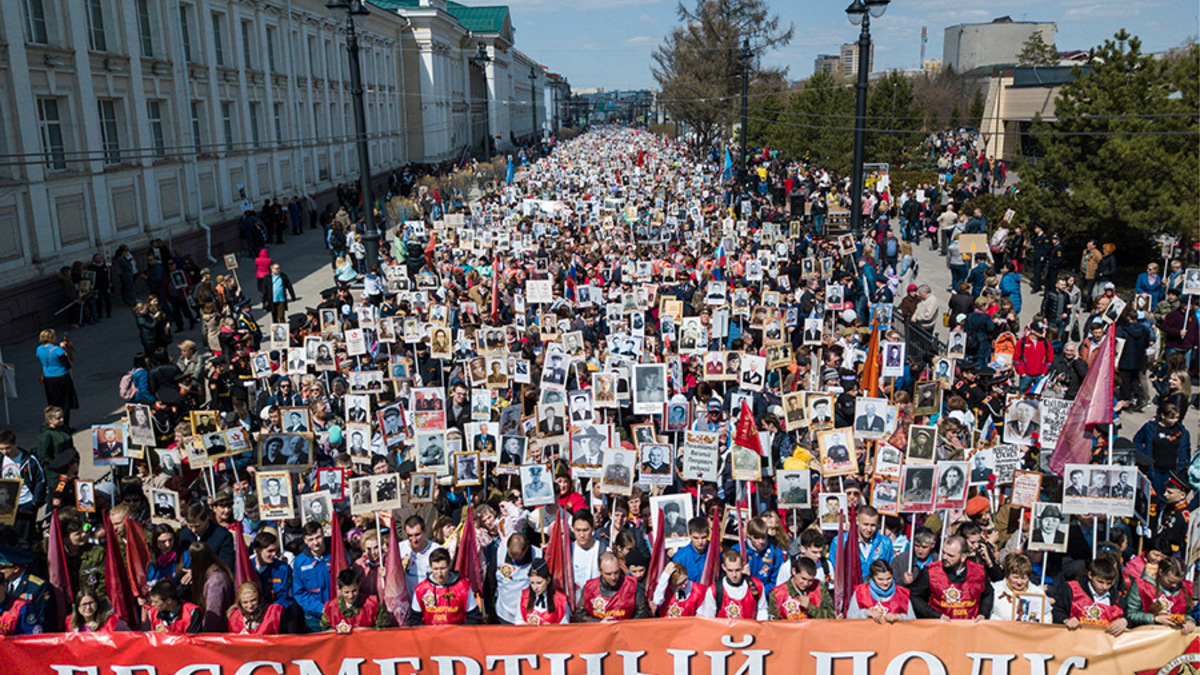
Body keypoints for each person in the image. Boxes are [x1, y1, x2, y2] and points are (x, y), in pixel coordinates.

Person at [910, 536, 993, 620]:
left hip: (969, 626)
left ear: (963, 557)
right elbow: (915, 596)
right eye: (943, 552)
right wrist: (935, 615)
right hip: (940, 626)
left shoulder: (978, 571)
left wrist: (983, 613)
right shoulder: (930, 571)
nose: (944, 557)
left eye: (950, 555)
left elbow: (988, 594)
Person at [1052, 558, 1127, 635]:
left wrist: (1124, 621)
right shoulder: (1072, 590)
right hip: (1075, 638)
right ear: (1090, 575)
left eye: (1109, 583)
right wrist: (1066, 620)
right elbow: (1057, 611)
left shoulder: (1117, 598)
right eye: (1100, 582)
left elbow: (1129, 616)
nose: (1104, 587)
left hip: (1105, 641)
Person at [409, 548, 481, 625]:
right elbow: (415, 619)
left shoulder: (463, 587)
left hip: (457, 635)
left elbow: (473, 617)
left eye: (443, 568)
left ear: (449, 565)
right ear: (430, 567)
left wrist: (461, 634)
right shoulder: (421, 589)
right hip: (430, 635)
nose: (439, 574)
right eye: (435, 569)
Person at [1125, 557, 1196, 634]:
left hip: (1175, 636)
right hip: (1148, 634)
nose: (1175, 586)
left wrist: (1190, 621)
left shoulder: (1185, 587)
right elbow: (1131, 614)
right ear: (1161, 572)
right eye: (1170, 581)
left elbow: (1187, 613)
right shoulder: (1142, 586)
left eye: (1178, 582)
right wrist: (1154, 619)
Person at [573, 552, 651, 622]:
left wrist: (623, 625)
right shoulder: (589, 588)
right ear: (600, 571)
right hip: (599, 633)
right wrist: (598, 622)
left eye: (616, 572)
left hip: (625, 633)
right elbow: (579, 616)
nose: (613, 577)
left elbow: (643, 613)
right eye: (608, 574)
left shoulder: (632, 585)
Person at [292, 521, 331, 632]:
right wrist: (320, 608)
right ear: (305, 540)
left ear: (323, 534)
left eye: (318, 537)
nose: (316, 543)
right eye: (311, 539)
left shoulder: (336, 553)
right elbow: (299, 592)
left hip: (337, 612)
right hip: (314, 618)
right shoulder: (300, 562)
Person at [768, 555, 835, 620]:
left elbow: (831, 617)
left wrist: (810, 607)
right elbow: (773, 625)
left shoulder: (819, 587)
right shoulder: (777, 594)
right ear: (794, 571)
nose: (806, 584)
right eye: (803, 578)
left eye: (810, 580)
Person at [848, 559, 914, 622]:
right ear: (873, 578)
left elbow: (913, 620)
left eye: (889, 578)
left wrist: (899, 617)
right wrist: (866, 613)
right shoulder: (860, 592)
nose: (885, 583)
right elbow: (850, 617)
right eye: (880, 579)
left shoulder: (902, 594)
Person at [323, 569, 388, 632]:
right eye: (346, 592)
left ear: (359, 585)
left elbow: (383, 631)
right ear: (340, 589)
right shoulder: (330, 609)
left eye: (354, 591)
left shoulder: (373, 605)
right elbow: (327, 634)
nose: (351, 596)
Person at [989, 554, 1049, 622]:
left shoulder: (1037, 593)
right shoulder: (995, 589)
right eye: (1015, 577)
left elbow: (1046, 615)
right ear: (1008, 574)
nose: (1019, 582)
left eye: (1023, 578)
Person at [36, 330, 78, 426]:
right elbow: (67, 365)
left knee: (53, 403)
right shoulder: (58, 350)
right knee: (65, 403)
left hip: (48, 379)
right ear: (50, 338)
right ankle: (65, 425)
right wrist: (65, 349)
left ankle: (53, 423)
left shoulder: (39, 349)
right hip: (62, 377)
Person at [519, 559, 569, 625]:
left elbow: (565, 627)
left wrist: (552, 628)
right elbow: (518, 620)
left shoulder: (561, 600)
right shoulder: (524, 596)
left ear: (548, 580)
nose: (535, 587)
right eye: (532, 583)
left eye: (539, 583)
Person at [670, 517, 711, 583]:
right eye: (696, 538)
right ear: (689, 535)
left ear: (708, 534)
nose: (700, 542)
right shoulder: (680, 558)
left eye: (703, 537)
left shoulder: (716, 553)